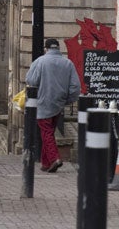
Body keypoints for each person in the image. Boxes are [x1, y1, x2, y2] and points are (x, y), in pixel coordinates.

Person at [25, 37, 81, 173]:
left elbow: (30, 80)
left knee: (46, 133)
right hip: (59, 104)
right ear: (58, 48)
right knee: (48, 132)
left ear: (46, 48)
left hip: (43, 102)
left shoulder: (40, 62)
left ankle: (55, 158)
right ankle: (46, 163)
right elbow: (75, 87)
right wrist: (67, 100)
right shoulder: (68, 64)